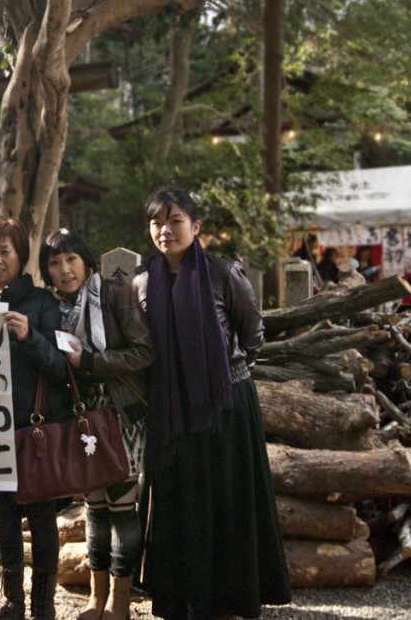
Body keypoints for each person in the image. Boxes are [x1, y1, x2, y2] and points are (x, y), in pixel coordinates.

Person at [133, 187, 291, 620]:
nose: (166, 230)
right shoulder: (143, 282)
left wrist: (223, 376)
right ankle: (181, 596)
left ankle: (229, 598)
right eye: (157, 222)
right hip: (170, 409)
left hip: (225, 404)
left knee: (226, 496)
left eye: (176, 220)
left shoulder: (224, 274)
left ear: (196, 226)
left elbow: (253, 333)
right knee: (181, 499)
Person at [39, 228, 154, 620]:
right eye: (55, 263)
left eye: (71, 259)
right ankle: (96, 598)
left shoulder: (114, 294)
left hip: (120, 411)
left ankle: (121, 602)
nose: (64, 269)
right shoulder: (55, 308)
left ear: (87, 261)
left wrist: (91, 362)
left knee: (122, 506)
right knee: (93, 507)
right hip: (81, 415)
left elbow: (144, 351)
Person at [0, 219, 70, 620]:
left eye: (4, 252)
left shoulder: (43, 303)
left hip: (35, 424)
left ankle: (44, 604)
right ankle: (12, 601)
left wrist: (31, 336)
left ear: (21, 256)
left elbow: (63, 368)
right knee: (3, 515)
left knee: (43, 517)